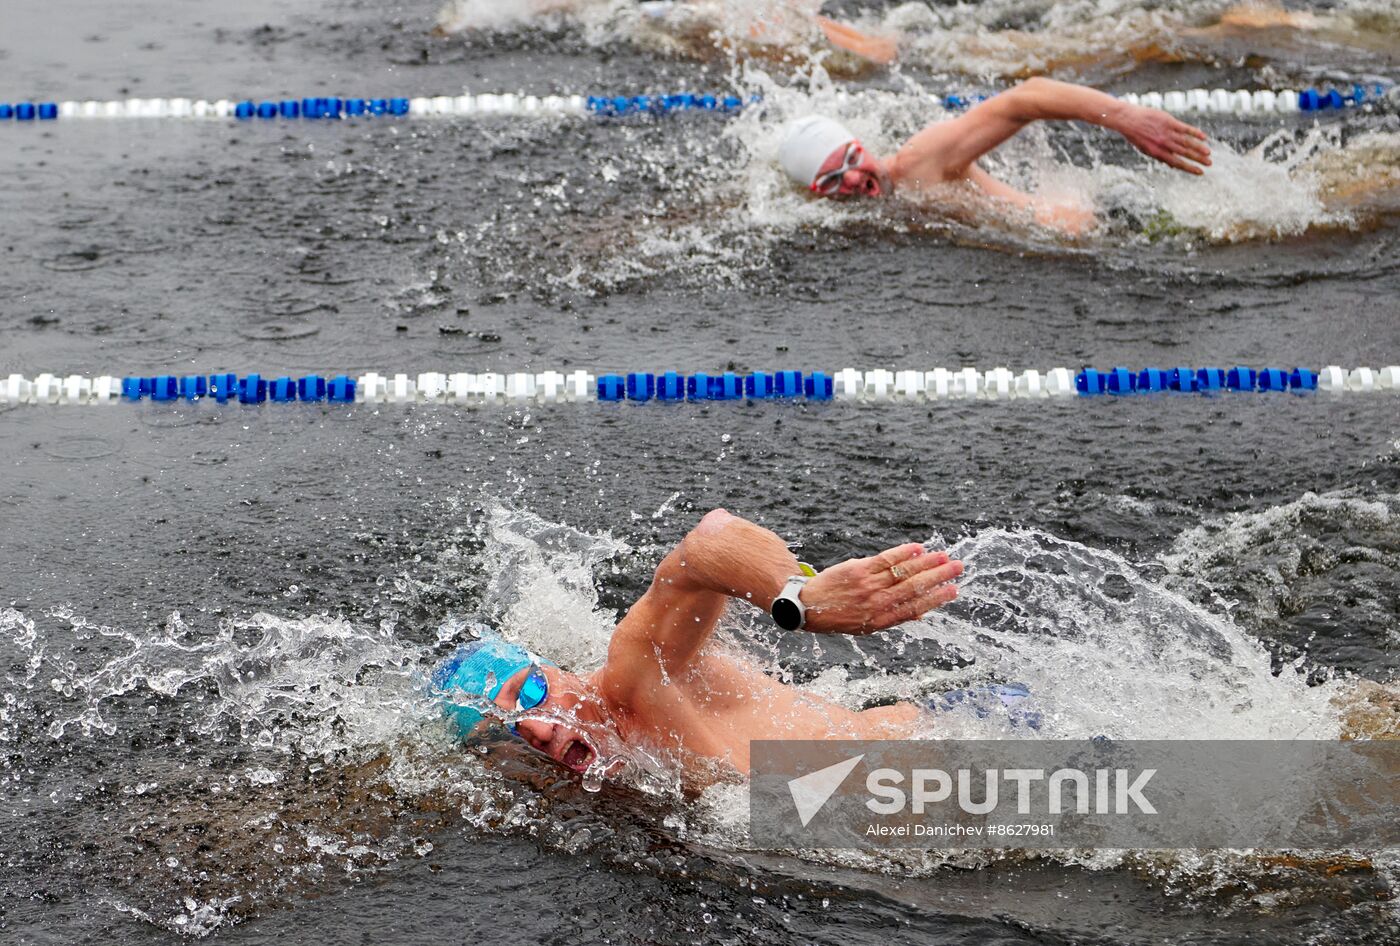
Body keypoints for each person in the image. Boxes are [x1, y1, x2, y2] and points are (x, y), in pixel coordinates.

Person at [433, 509, 987, 780]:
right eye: (503, 730)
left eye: (530, 692)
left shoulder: (634, 677)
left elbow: (709, 541)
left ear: (557, 671)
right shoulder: (608, 782)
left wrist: (799, 598)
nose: (537, 727)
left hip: (970, 743)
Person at [777, 76, 1212, 234]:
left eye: (851, 160)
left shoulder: (919, 162)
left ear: (863, 146)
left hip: (1112, 226)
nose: (851, 180)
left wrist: (1124, 117)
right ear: (816, 193)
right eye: (832, 179)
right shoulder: (861, 217)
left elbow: (1024, 98)